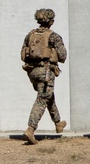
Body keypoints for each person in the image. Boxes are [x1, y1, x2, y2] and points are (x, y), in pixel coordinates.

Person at [21, 8, 68, 144]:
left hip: (32, 72)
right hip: (46, 71)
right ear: (51, 21)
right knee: (42, 99)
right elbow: (63, 56)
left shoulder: (30, 35)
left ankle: (58, 123)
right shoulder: (54, 36)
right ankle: (30, 129)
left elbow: (23, 53)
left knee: (47, 95)